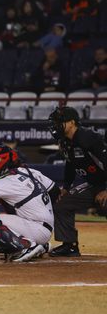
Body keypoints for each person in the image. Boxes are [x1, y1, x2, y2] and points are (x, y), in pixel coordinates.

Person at [48, 107, 107, 257]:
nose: (55, 126)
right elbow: (70, 164)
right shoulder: (65, 141)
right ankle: (70, 245)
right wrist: (66, 187)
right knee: (62, 203)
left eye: (59, 122)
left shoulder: (88, 137)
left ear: (72, 123)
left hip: (104, 184)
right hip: (93, 185)